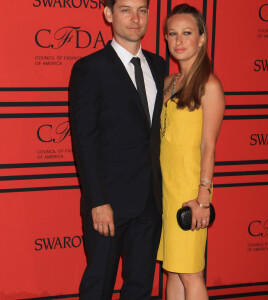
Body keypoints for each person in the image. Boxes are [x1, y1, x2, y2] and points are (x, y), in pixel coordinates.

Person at [69, 0, 165, 299]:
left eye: (142, 10)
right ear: (109, 14)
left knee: (139, 289)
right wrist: (98, 201)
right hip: (108, 204)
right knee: (98, 287)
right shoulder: (89, 68)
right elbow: (84, 140)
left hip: (150, 204)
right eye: (126, 9)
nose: (135, 18)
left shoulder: (161, 66)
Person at [157, 4, 225, 300]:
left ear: (202, 38)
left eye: (187, 33)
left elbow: (209, 145)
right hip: (167, 188)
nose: (179, 41)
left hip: (190, 191)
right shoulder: (169, 84)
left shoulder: (209, 85)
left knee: (190, 273)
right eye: (172, 34)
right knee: (174, 270)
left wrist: (203, 197)